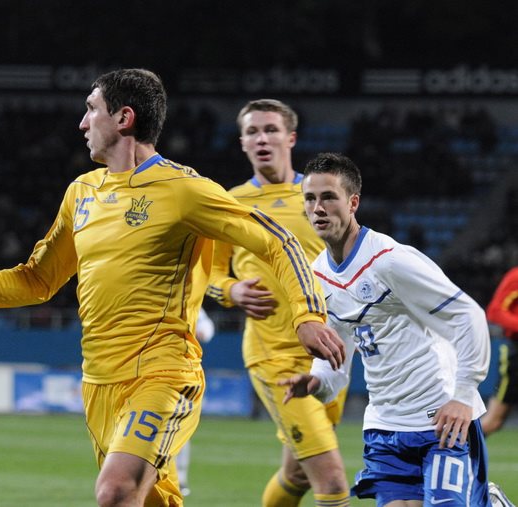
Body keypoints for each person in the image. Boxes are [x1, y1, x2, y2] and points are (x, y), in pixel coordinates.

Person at [0, 69, 345, 507]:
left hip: (163, 374)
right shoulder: (82, 193)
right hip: (98, 382)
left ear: (124, 118)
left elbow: (278, 242)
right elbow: (35, 280)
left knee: (115, 490)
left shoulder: (185, 190)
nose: (82, 123)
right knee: (147, 499)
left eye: (91, 109)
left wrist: (307, 315)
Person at [282, 152, 513, 506]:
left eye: (329, 197)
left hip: (441, 419)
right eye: (310, 199)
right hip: (384, 426)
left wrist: (464, 395)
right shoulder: (317, 276)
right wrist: (317, 382)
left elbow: (468, 315)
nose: (318, 208)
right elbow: (335, 356)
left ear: (353, 203)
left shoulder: (390, 260)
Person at [206, 99, 350, 507]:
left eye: (270, 129)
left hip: (331, 352)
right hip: (275, 355)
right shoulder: (230, 203)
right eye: (252, 132)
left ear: (291, 138)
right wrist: (230, 291)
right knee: (332, 480)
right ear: (242, 143)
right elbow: (208, 273)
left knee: (297, 473)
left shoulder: (320, 195)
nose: (261, 138)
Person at [175, 307, 215, 497]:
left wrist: (201, 332)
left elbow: (206, 326)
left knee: (180, 427)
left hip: (183, 373)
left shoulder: (186, 298)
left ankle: (180, 479)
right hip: (146, 373)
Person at [482, 267, 518, 436]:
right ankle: (451, 447)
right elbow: (494, 312)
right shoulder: (516, 276)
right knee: (493, 421)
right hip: (515, 352)